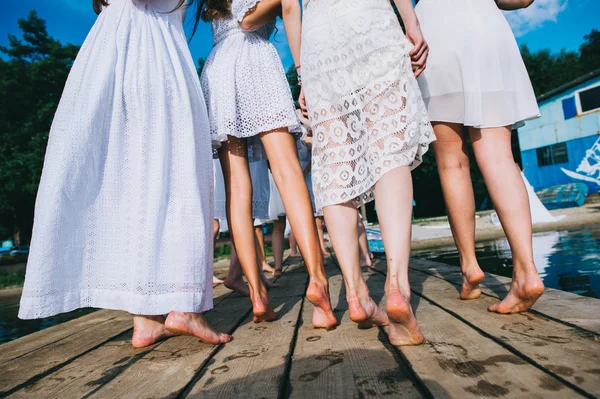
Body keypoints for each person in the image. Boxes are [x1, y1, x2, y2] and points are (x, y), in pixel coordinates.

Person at [18, 0, 232, 348]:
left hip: (118, 53)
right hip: (152, 54)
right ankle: (185, 308)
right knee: (174, 174)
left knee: (138, 177)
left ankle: (145, 318)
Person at [297, 0, 435, 345]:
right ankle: (396, 286)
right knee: (389, 152)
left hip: (317, 38)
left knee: (335, 163)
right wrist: (412, 22)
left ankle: (357, 295)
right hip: (367, 18)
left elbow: (288, 8)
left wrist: (302, 75)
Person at [200, 0, 337, 328]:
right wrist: (304, 71)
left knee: (236, 185)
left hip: (217, 70)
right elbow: (256, 18)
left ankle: (258, 293)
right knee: (288, 170)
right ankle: (317, 278)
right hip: (252, 64)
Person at [415, 0, 544, 313]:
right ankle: (526, 270)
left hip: (435, 30)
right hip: (485, 28)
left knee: (451, 161)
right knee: (500, 156)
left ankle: (470, 268)